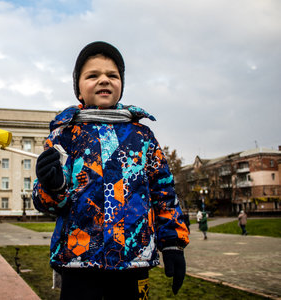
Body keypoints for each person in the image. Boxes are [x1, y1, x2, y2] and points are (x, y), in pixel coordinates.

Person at [32, 41, 190, 299]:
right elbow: (46, 203)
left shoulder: (142, 136)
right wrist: (52, 185)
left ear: (121, 85)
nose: (103, 80)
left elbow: (163, 191)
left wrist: (173, 243)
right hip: (79, 261)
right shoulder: (64, 136)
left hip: (132, 260)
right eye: (92, 75)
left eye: (112, 75)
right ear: (79, 91)